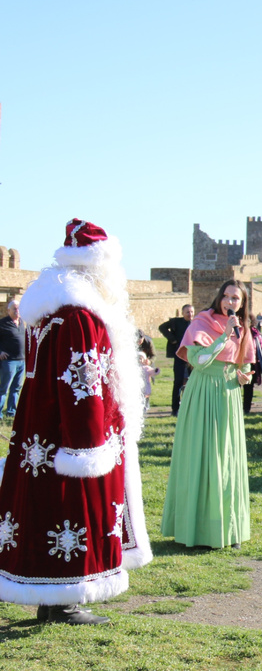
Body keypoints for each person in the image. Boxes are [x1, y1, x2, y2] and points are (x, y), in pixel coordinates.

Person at [0, 220, 152, 625]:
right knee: (71, 509)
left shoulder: (44, 309)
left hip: (39, 431)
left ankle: (53, 598)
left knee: (45, 508)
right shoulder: (81, 316)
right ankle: (64, 598)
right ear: (98, 267)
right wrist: (88, 446)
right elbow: (82, 386)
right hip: (72, 438)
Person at [161, 279, 253, 550]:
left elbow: (245, 363)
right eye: (226, 296)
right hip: (202, 391)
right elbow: (198, 361)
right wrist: (223, 335)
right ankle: (196, 529)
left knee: (226, 457)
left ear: (243, 303)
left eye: (236, 298)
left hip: (228, 394)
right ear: (219, 297)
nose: (230, 302)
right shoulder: (201, 322)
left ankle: (228, 528)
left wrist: (244, 376)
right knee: (200, 454)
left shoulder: (243, 328)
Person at [157, 303, 194, 417]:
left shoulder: (196, 323)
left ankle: (191, 407)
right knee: (178, 382)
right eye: (187, 312)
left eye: (192, 312)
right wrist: (172, 339)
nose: (190, 314)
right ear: (182, 313)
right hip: (180, 356)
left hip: (193, 357)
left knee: (193, 383)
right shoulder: (177, 322)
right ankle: (175, 409)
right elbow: (162, 327)